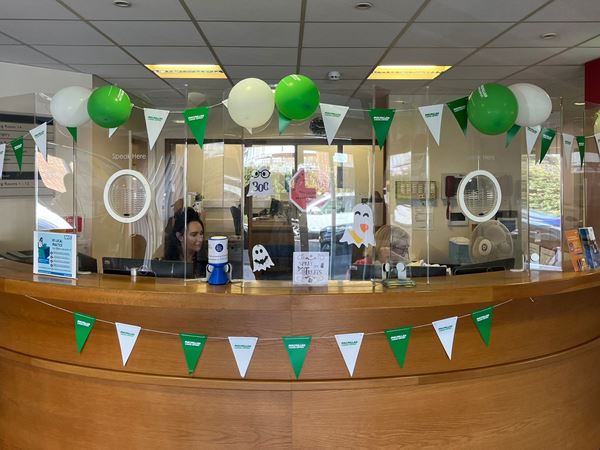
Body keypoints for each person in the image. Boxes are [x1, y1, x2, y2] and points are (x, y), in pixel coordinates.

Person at [164, 207, 207, 277]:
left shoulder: (204, 263)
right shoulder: (167, 263)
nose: (200, 239)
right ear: (180, 236)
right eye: (194, 235)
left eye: (201, 233)